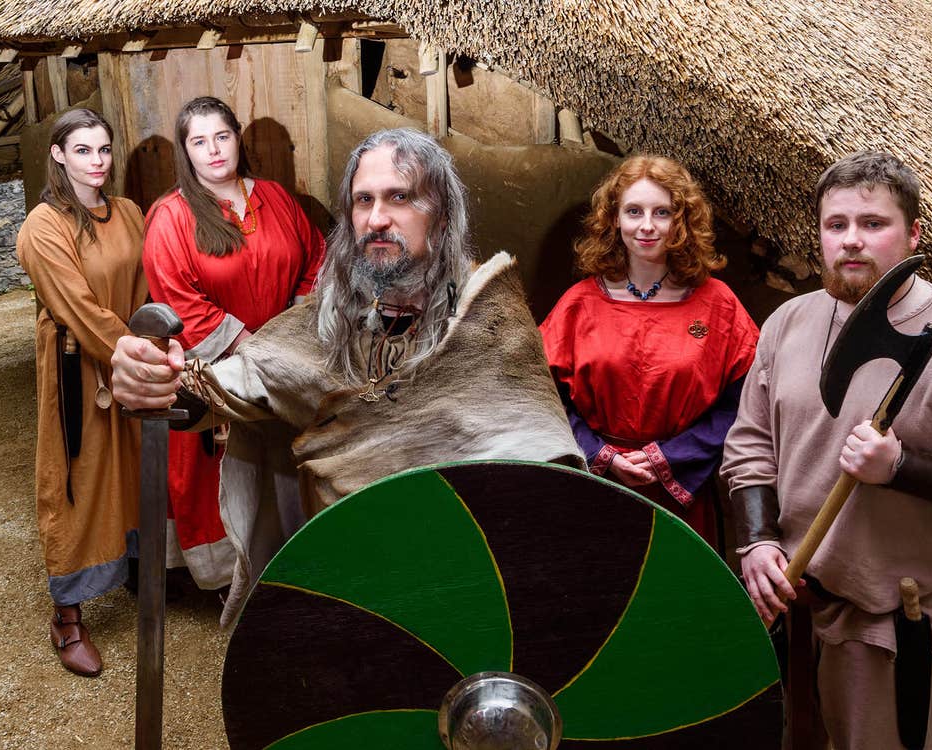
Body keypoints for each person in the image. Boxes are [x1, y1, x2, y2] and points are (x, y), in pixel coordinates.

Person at [112, 128, 584, 625]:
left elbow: (543, 465)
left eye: (399, 197)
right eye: (363, 201)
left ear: (441, 213)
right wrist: (153, 380)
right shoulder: (330, 321)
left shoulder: (490, 325)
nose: (377, 219)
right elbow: (230, 385)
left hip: (462, 584)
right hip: (348, 583)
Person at [720, 151, 932, 748]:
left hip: (889, 625)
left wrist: (901, 467)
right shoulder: (787, 322)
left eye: (873, 224)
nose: (851, 241)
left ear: (914, 233)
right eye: (835, 224)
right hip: (791, 602)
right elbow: (750, 444)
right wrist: (758, 539)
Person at [142, 96, 325, 591]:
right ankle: (228, 579)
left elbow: (315, 260)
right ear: (186, 151)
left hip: (288, 357)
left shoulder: (276, 197)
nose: (214, 150)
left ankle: (293, 565)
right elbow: (178, 296)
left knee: (289, 469)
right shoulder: (171, 216)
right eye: (199, 141)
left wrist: (293, 329)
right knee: (223, 475)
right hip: (222, 367)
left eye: (222, 136)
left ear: (237, 137)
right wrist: (252, 347)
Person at [539, 156, 758, 548]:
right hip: (596, 488)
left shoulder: (718, 304)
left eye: (662, 212)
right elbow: (542, 398)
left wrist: (670, 457)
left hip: (682, 493)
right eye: (633, 211)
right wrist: (598, 453)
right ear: (614, 219)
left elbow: (744, 404)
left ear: (681, 220)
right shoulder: (579, 304)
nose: (646, 226)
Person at [15, 108, 148, 677]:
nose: (98, 161)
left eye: (105, 149)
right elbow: (76, 307)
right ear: (59, 154)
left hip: (130, 358)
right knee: (77, 482)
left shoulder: (129, 212)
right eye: (84, 150)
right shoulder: (43, 226)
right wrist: (138, 354)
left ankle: (140, 569)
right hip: (79, 367)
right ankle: (66, 615)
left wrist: (151, 341)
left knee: (138, 466)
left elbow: (146, 286)